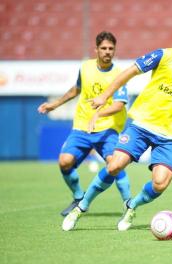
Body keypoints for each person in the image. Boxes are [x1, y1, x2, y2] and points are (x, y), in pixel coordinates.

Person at [62, 24, 172, 231]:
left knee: (160, 183)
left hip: (171, 136)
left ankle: (132, 206)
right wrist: (105, 95)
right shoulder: (163, 56)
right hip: (142, 126)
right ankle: (81, 207)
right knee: (114, 166)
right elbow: (130, 72)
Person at [38, 31, 131, 216]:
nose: (107, 52)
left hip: (108, 128)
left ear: (115, 50)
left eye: (111, 48)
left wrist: (99, 114)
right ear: (96, 49)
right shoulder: (86, 67)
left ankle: (129, 204)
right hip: (82, 126)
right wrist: (55, 104)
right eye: (103, 48)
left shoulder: (119, 75)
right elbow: (77, 89)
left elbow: (119, 105)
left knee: (115, 164)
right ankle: (79, 197)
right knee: (65, 162)